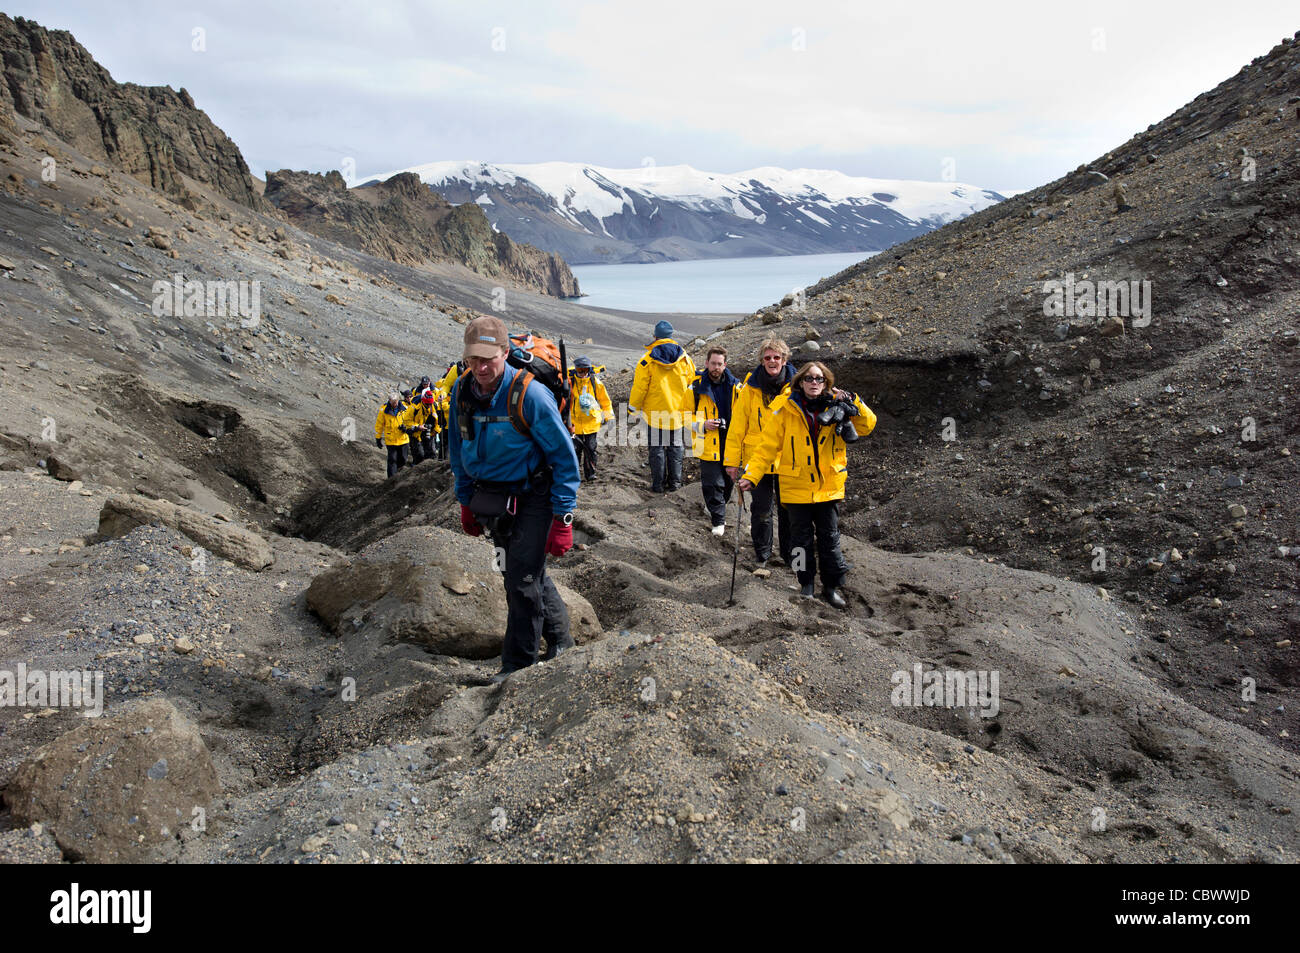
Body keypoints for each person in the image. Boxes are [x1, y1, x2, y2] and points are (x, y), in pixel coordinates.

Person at [449, 316, 581, 682]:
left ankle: (518, 666)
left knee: (520, 582)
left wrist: (563, 519)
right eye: (474, 359)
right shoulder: (461, 393)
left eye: (489, 358)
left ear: (505, 353)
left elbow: (565, 461)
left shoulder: (531, 395)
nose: (482, 367)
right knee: (524, 571)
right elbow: (457, 451)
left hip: (534, 496)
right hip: (492, 499)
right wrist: (465, 501)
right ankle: (562, 642)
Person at [736, 361, 876, 609]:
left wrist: (853, 400)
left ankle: (831, 587)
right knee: (799, 543)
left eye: (819, 379)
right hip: (795, 488)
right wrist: (751, 475)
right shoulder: (784, 408)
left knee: (829, 541)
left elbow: (868, 424)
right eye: (809, 378)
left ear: (827, 383)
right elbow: (766, 448)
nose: (814, 383)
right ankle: (806, 585)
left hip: (828, 487)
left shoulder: (839, 407)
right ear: (800, 381)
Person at [725, 337, 795, 568]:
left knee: (790, 513)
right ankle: (762, 555)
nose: (772, 361)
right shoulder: (749, 389)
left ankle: (790, 556)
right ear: (762, 361)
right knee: (761, 510)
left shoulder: (797, 387)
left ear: (784, 360)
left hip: (788, 460)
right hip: (757, 460)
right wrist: (732, 462)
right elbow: (736, 427)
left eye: (777, 357)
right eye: (768, 358)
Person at [629, 320, 695, 493]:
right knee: (675, 448)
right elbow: (692, 382)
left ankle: (658, 485)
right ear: (671, 336)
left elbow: (640, 387)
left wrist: (633, 408)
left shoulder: (647, 360)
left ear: (655, 336)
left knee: (657, 449)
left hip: (655, 414)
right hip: (677, 413)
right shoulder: (685, 359)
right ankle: (675, 485)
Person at [686, 346, 741, 536]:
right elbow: (682, 416)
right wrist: (702, 424)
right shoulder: (695, 387)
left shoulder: (736, 387)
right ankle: (718, 521)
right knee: (712, 483)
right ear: (706, 363)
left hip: (730, 442)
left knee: (727, 483)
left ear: (725, 365)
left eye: (719, 364)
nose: (716, 367)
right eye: (713, 363)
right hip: (706, 441)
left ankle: (717, 510)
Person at [568, 355, 613, 482]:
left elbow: (605, 401)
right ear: (576, 369)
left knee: (590, 448)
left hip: (592, 422)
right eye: (580, 370)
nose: (583, 373)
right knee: (575, 450)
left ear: (589, 370)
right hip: (574, 423)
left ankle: (590, 474)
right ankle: (574, 475)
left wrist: (609, 417)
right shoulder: (570, 383)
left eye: (585, 370)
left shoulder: (596, 383)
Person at [374, 392, 415, 478]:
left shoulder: (405, 409)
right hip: (391, 440)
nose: (394, 404)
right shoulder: (384, 410)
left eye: (395, 402)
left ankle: (399, 477)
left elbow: (410, 421)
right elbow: (379, 424)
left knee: (403, 459)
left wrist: (406, 428)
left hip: (403, 439)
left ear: (398, 400)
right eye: (392, 402)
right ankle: (391, 480)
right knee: (392, 460)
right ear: (389, 401)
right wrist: (378, 438)